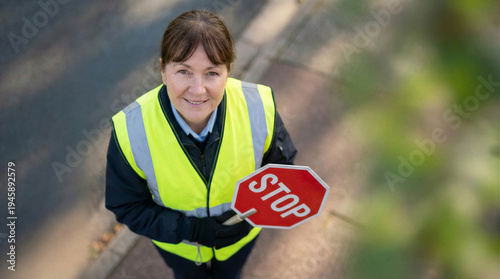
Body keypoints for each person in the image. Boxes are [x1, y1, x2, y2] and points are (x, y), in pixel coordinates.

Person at [105, 9, 297, 279]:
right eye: (184, 71)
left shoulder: (259, 106)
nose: (197, 89)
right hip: (182, 250)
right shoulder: (130, 130)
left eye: (211, 73)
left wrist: (253, 214)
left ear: (228, 71)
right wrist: (190, 230)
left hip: (239, 241)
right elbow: (127, 206)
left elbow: (282, 170)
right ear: (163, 70)